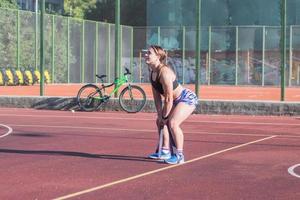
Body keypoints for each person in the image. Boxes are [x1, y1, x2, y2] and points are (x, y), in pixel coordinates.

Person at [144, 45, 198, 164]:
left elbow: (168, 98)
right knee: (159, 122)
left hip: (185, 98)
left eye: (149, 53)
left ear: (158, 56)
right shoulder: (152, 72)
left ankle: (179, 155)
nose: (145, 55)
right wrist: (160, 115)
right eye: (146, 53)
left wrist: (165, 117)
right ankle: (165, 151)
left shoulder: (165, 73)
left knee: (172, 123)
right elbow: (157, 96)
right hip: (173, 100)